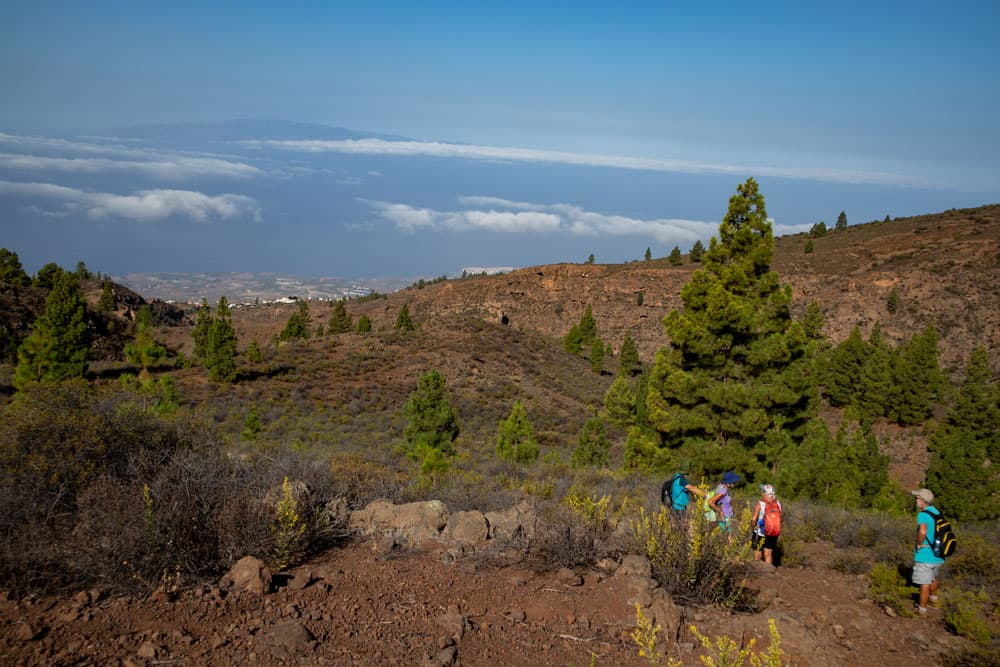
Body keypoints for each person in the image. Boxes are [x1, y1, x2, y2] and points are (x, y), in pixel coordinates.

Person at [912, 488, 944, 615]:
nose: (916, 500)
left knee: (924, 583)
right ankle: (933, 599)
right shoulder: (936, 512)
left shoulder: (923, 515)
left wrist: (919, 544)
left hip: (926, 553)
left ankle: (922, 610)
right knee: (932, 577)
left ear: (923, 501)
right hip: (938, 552)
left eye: (917, 498)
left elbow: (923, 531)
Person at [751, 484, 781, 564]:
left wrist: (753, 528)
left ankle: (757, 570)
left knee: (757, 555)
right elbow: (780, 518)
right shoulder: (778, 503)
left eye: (762, 491)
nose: (761, 492)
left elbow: (753, 519)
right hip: (772, 533)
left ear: (765, 493)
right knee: (768, 555)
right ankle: (769, 571)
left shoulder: (760, 504)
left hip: (760, 533)